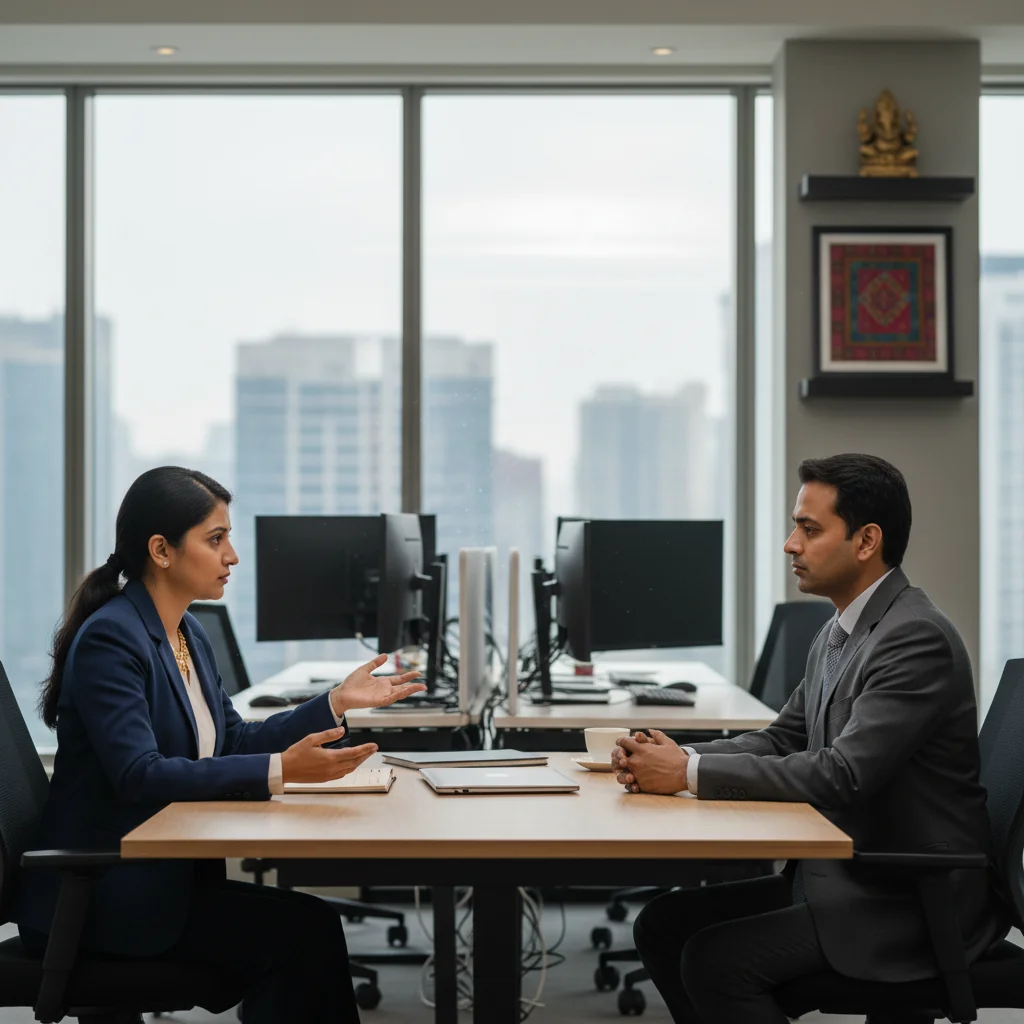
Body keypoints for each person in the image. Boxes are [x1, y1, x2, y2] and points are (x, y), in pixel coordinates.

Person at [15, 466, 426, 1024]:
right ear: (161, 550)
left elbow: (230, 738)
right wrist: (283, 769)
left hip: (162, 881)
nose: (232, 555)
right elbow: (140, 774)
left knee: (308, 929)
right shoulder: (112, 638)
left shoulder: (187, 631)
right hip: (107, 896)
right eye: (216, 539)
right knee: (303, 935)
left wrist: (335, 702)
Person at [612, 453, 1009, 1024]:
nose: (789, 544)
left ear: (867, 540)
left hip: (906, 899)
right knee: (663, 924)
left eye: (809, 528)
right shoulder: (837, 631)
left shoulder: (913, 637)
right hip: (848, 879)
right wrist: (679, 755)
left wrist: (687, 776)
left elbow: (843, 774)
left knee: (713, 960)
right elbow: (783, 739)